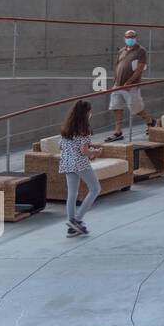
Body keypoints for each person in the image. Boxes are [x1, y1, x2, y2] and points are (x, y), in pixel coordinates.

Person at [58, 99, 104, 237]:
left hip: (67, 162)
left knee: (72, 194)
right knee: (95, 189)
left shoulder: (67, 128)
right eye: (90, 111)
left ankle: (71, 226)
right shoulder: (84, 129)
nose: (91, 114)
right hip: (80, 163)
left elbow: (60, 145)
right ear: (86, 113)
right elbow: (84, 151)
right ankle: (77, 220)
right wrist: (95, 152)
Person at [106, 29, 155, 142]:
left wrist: (130, 82)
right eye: (127, 37)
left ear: (136, 37)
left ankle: (150, 121)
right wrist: (115, 81)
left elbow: (140, 68)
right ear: (124, 38)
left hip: (131, 86)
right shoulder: (122, 50)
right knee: (116, 107)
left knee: (136, 108)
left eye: (132, 37)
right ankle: (118, 132)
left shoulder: (141, 51)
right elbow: (118, 65)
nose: (129, 39)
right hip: (117, 85)